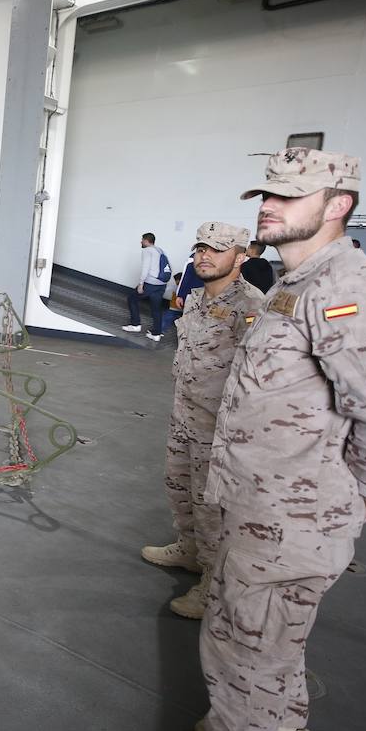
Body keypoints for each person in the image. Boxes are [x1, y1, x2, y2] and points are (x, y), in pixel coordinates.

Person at [128, 149, 366, 731]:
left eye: (290, 196)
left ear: (338, 206)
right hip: (266, 505)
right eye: (266, 194)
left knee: (242, 647)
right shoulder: (296, 286)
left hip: (288, 518)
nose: (269, 205)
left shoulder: (345, 288)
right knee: (275, 641)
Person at [140, 222, 263, 619]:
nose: (204, 255)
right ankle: (189, 550)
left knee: (214, 508)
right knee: (180, 489)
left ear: (240, 257)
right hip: (185, 417)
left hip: (222, 429)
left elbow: (259, 375)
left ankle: (214, 584)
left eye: (217, 249)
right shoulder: (192, 298)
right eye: (200, 248)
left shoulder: (252, 306)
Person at [122, 232, 170, 342]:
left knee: (132, 299)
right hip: (161, 284)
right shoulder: (160, 250)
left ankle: (135, 325)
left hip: (150, 283)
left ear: (146, 241)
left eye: (142, 240)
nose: (141, 242)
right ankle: (156, 334)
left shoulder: (147, 250)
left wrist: (141, 283)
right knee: (156, 308)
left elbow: (145, 267)